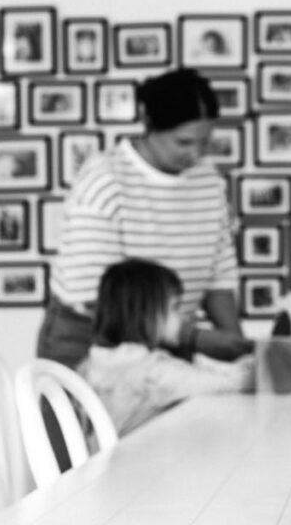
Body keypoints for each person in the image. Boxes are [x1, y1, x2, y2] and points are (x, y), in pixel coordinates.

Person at [37, 67, 251, 368]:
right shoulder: (106, 179)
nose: (196, 155)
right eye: (183, 142)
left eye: (205, 143)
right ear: (150, 124)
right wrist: (194, 338)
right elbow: (96, 295)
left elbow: (219, 271)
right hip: (90, 342)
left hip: (169, 341)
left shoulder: (209, 181)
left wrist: (235, 341)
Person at [78, 259, 254, 435]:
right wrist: (257, 366)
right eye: (175, 308)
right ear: (146, 314)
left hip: (98, 459)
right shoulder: (154, 373)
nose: (182, 318)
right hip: (132, 459)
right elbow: (229, 384)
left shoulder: (91, 363)